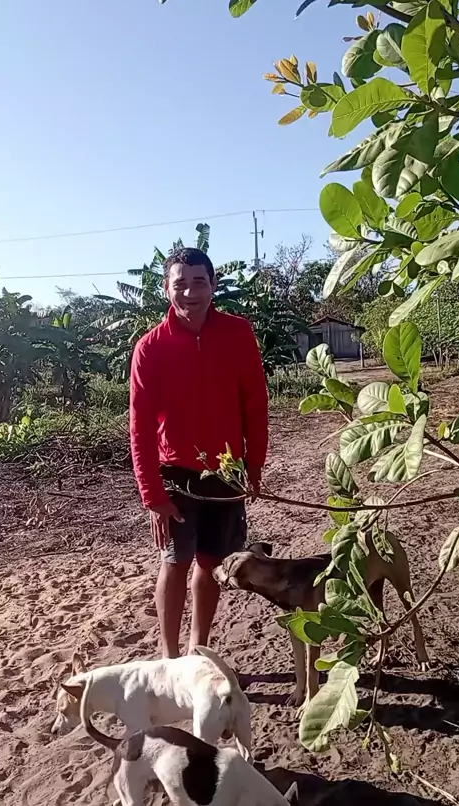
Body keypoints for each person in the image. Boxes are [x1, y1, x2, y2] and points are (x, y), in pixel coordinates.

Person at [130, 246, 269, 658]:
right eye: (180, 284)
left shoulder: (238, 334)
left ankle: (198, 651)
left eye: (199, 282)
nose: (190, 292)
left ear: (213, 285)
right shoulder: (150, 347)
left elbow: (255, 405)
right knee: (175, 562)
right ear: (166, 288)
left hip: (226, 472)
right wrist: (152, 495)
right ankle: (170, 657)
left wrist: (253, 467)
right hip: (175, 476)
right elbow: (139, 425)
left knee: (211, 563)